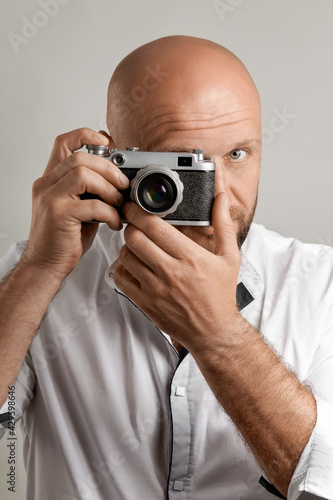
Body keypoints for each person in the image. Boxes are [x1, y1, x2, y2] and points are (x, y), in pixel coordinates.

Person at [0, 35, 332, 500]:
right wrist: (39, 269)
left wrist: (217, 334)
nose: (218, 196)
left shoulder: (319, 285)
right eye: (185, 166)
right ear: (118, 161)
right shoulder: (37, 276)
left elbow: (323, 483)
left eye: (237, 155)